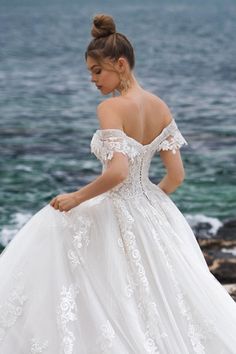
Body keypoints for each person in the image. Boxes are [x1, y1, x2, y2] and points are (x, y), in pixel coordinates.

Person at [0, 13, 236, 354]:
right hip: (154, 211)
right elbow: (176, 176)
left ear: (120, 64)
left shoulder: (111, 108)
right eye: (90, 73)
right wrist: (150, 202)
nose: (93, 80)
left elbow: (117, 173)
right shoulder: (159, 106)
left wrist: (76, 197)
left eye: (98, 71)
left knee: (63, 241)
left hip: (119, 205)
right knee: (156, 290)